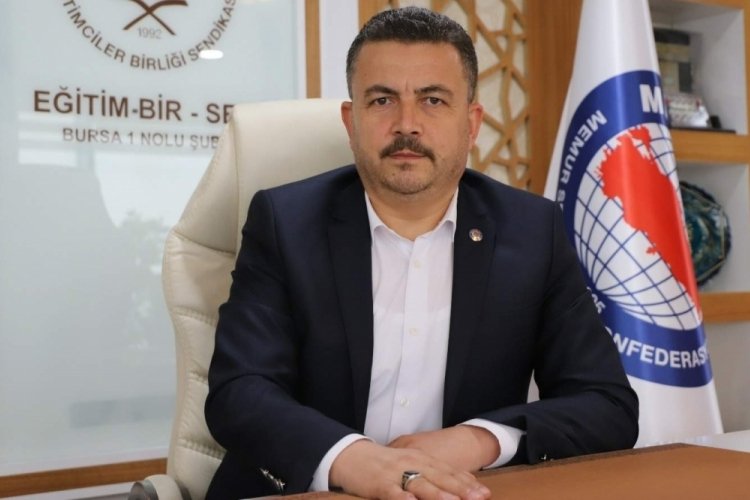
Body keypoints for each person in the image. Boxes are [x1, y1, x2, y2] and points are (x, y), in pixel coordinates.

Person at [205, 6, 638, 500]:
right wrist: (350, 458)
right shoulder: (285, 222)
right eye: (382, 100)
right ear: (351, 121)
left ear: (471, 123)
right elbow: (239, 393)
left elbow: (608, 405)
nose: (406, 124)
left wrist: (476, 441)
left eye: (433, 100)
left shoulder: (532, 232)